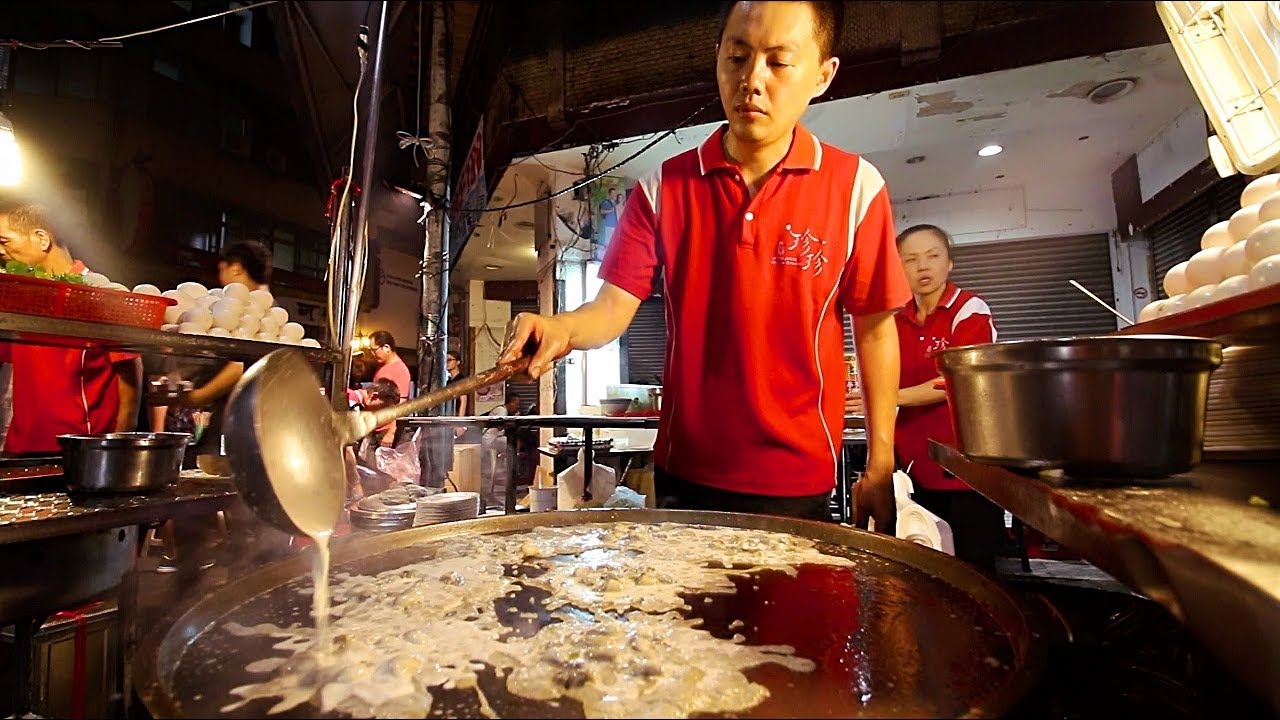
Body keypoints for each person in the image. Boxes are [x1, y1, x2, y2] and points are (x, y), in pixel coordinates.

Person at [502, 1, 910, 528]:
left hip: (799, 477)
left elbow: (876, 332)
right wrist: (558, 327)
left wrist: (881, 462)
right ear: (717, 59)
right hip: (685, 472)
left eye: (779, 62)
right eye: (737, 57)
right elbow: (610, 309)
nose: (752, 80)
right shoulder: (663, 188)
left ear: (822, 75)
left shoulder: (857, 188)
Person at [851, 223, 1004, 570]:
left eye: (933, 256)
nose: (923, 267)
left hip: (966, 465)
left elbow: (954, 382)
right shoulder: (895, 320)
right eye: (910, 259)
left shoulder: (970, 309)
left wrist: (887, 397)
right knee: (921, 560)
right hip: (912, 465)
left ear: (949, 263)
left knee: (973, 568)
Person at [0, 203, 142, 454]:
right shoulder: (20, 297)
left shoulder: (100, 293)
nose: (1, 251)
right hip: (20, 450)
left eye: (4, 241)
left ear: (41, 239)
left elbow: (129, 372)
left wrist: (118, 448)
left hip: (80, 453)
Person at [158, 240, 273, 453]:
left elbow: (240, 367)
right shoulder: (260, 309)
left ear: (236, 268)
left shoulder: (257, 313)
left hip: (240, 423)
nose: (221, 278)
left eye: (223, 270)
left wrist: (198, 397)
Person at [481, 391, 522, 504]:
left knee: (513, 442)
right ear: (510, 403)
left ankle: (508, 464)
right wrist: (513, 420)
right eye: (516, 404)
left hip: (494, 440)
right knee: (513, 444)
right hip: (489, 440)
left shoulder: (504, 411)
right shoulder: (502, 410)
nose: (518, 406)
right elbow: (499, 426)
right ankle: (510, 466)